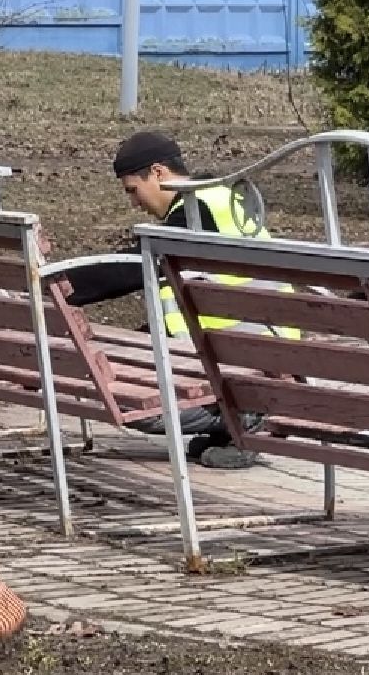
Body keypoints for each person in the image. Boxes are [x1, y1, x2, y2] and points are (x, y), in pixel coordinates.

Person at [61, 131, 284, 470]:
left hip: (252, 369)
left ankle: (243, 421)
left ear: (159, 173)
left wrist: (58, 285)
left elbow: (133, 267)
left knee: (135, 407)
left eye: (134, 190)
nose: (135, 203)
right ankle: (232, 423)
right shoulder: (214, 201)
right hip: (245, 357)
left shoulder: (197, 214)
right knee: (127, 390)